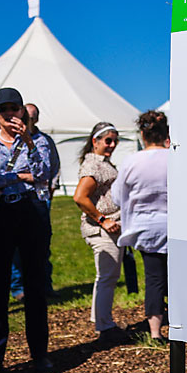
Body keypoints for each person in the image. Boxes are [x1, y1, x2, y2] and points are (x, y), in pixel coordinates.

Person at [0, 87, 55, 373]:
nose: (9, 114)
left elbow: (44, 175)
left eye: (14, 108)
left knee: (35, 286)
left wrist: (29, 142)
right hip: (0, 215)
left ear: (22, 111)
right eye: (3, 109)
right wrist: (19, 176)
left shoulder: (40, 140)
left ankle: (40, 354)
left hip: (32, 214)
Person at [112, 111, 170, 342]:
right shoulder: (176, 158)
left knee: (154, 279)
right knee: (179, 277)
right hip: (175, 227)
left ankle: (155, 332)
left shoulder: (131, 161)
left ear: (142, 135)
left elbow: (118, 196)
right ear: (166, 133)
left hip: (147, 228)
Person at [73, 121, 127, 344]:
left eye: (115, 140)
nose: (112, 145)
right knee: (107, 277)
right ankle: (104, 327)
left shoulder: (102, 162)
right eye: (108, 140)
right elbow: (79, 197)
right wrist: (103, 220)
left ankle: (101, 320)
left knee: (106, 277)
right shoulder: (93, 165)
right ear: (95, 141)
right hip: (103, 229)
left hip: (110, 227)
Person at [8, 103, 61, 301]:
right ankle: (18, 287)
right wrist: (26, 177)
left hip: (41, 198)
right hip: (19, 197)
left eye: (32, 117)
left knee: (42, 245)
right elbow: (12, 173)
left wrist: (50, 188)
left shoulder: (44, 140)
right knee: (16, 247)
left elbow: (52, 168)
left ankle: (44, 285)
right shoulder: (12, 141)